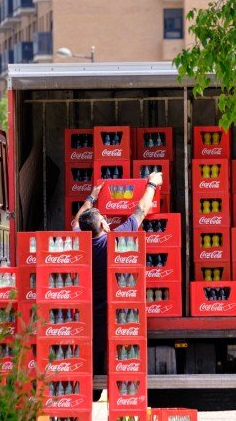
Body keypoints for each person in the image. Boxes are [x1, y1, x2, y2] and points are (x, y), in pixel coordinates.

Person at [72, 171, 163, 400]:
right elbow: (141, 211)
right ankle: (120, 394)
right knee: (118, 362)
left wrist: (91, 198)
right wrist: (152, 184)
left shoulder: (78, 245)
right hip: (116, 318)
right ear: (104, 224)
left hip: (87, 320)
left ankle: (90, 394)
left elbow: (75, 222)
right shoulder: (114, 241)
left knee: (91, 365)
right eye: (104, 218)